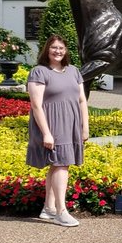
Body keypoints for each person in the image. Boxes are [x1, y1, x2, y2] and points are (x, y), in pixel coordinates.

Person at [26, 35, 89, 227]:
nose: (58, 51)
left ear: (66, 51)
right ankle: (62, 211)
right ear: (47, 50)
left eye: (61, 48)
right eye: (53, 47)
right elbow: (36, 105)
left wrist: (85, 127)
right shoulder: (39, 72)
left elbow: (81, 101)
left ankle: (48, 208)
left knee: (57, 165)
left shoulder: (74, 71)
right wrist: (46, 132)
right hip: (52, 124)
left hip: (71, 124)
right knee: (62, 164)